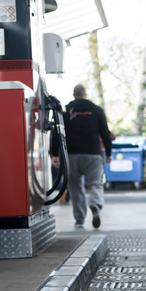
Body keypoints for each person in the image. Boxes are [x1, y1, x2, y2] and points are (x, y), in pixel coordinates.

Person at [51, 84, 112, 228]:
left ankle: (79, 219)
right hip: (93, 154)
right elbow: (105, 133)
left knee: (75, 186)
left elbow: (57, 133)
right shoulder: (96, 110)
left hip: (72, 154)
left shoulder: (65, 111)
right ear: (85, 94)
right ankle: (95, 204)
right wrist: (109, 152)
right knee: (95, 183)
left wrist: (54, 154)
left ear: (74, 95)